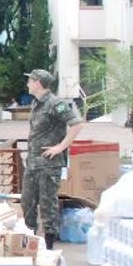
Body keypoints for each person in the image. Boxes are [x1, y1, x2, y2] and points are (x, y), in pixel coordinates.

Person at [22, 69, 83, 251]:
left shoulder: (56, 104)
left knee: (48, 206)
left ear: (38, 83)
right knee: (27, 202)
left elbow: (77, 124)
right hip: (33, 163)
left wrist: (60, 147)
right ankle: (28, 242)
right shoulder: (36, 104)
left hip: (49, 165)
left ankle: (49, 248)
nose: (27, 84)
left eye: (30, 81)